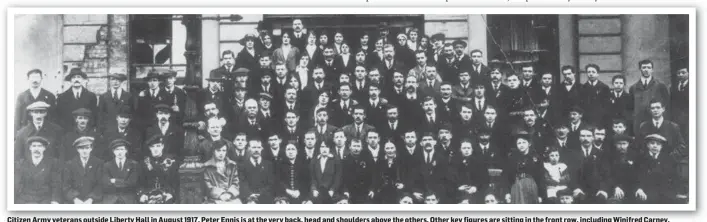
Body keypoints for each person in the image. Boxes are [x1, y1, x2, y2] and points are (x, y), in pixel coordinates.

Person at [14, 136, 62, 204]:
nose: (36, 149)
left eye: (40, 146)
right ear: (30, 148)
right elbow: (17, 184)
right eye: (34, 146)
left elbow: (56, 184)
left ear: (44, 148)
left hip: (44, 199)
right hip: (25, 199)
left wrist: (55, 200)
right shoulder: (22, 163)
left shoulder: (52, 163)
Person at [629, 59, 670, 134]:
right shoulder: (633, 88)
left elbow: (667, 105)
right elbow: (631, 108)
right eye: (644, 67)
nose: (646, 70)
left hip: (655, 121)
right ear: (640, 69)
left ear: (652, 70)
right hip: (639, 123)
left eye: (649, 67)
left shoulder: (660, 85)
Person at [634, 134, 677, 204]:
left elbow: (673, 178)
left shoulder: (668, 159)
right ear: (647, 145)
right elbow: (635, 177)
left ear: (661, 147)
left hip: (663, 193)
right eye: (652, 143)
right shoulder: (640, 159)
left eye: (658, 144)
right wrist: (639, 188)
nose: (655, 146)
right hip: (645, 191)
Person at [504, 133, 544, 204]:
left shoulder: (536, 158)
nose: (521, 145)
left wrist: (541, 195)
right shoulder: (512, 158)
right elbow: (507, 176)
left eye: (524, 142)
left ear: (529, 144)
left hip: (531, 186)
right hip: (517, 186)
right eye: (519, 143)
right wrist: (507, 193)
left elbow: (540, 177)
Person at [138, 135, 179, 204]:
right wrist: (141, 194)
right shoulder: (144, 162)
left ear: (162, 146)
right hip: (148, 194)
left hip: (167, 194)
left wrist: (172, 194)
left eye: (158, 146)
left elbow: (176, 181)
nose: (155, 149)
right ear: (149, 148)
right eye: (152, 146)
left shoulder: (171, 161)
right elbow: (139, 182)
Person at [62, 136, 103, 204]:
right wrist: (75, 199)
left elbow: (100, 185)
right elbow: (66, 185)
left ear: (91, 148)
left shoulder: (98, 163)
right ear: (77, 149)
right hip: (74, 200)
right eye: (81, 148)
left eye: (87, 148)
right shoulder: (70, 164)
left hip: (93, 200)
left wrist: (91, 199)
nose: (84, 151)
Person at [203, 140, 242, 204]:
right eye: (218, 150)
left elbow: (236, 182)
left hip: (230, 197)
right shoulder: (207, 166)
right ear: (213, 151)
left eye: (224, 150)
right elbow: (207, 185)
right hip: (214, 198)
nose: (221, 153)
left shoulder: (232, 165)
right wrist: (220, 194)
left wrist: (230, 193)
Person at [101, 139, 139, 204]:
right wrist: (123, 182)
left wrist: (115, 181)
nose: (119, 152)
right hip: (111, 198)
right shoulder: (107, 165)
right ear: (113, 151)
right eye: (117, 149)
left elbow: (132, 183)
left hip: (128, 197)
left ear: (126, 150)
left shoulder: (133, 164)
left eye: (122, 149)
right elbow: (106, 183)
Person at [453, 139, 489, 204]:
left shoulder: (479, 163)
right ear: (460, 150)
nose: (466, 150)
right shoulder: (455, 163)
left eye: (468, 148)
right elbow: (452, 179)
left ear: (472, 149)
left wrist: (475, 188)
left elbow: (485, 180)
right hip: (459, 194)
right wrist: (458, 187)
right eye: (464, 148)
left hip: (476, 194)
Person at [605, 135, 638, 204]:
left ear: (628, 144)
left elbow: (638, 175)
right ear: (615, 144)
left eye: (624, 144)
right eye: (619, 144)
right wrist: (615, 187)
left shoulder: (634, 156)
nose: (622, 147)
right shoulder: (609, 157)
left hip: (631, 188)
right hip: (614, 188)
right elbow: (607, 174)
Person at [342, 139, 376, 203]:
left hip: (366, 191)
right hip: (351, 192)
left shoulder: (367, 157)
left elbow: (374, 174)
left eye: (358, 146)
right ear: (350, 147)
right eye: (354, 146)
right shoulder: (346, 160)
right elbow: (343, 178)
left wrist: (372, 189)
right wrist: (345, 191)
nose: (356, 148)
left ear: (361, 147)